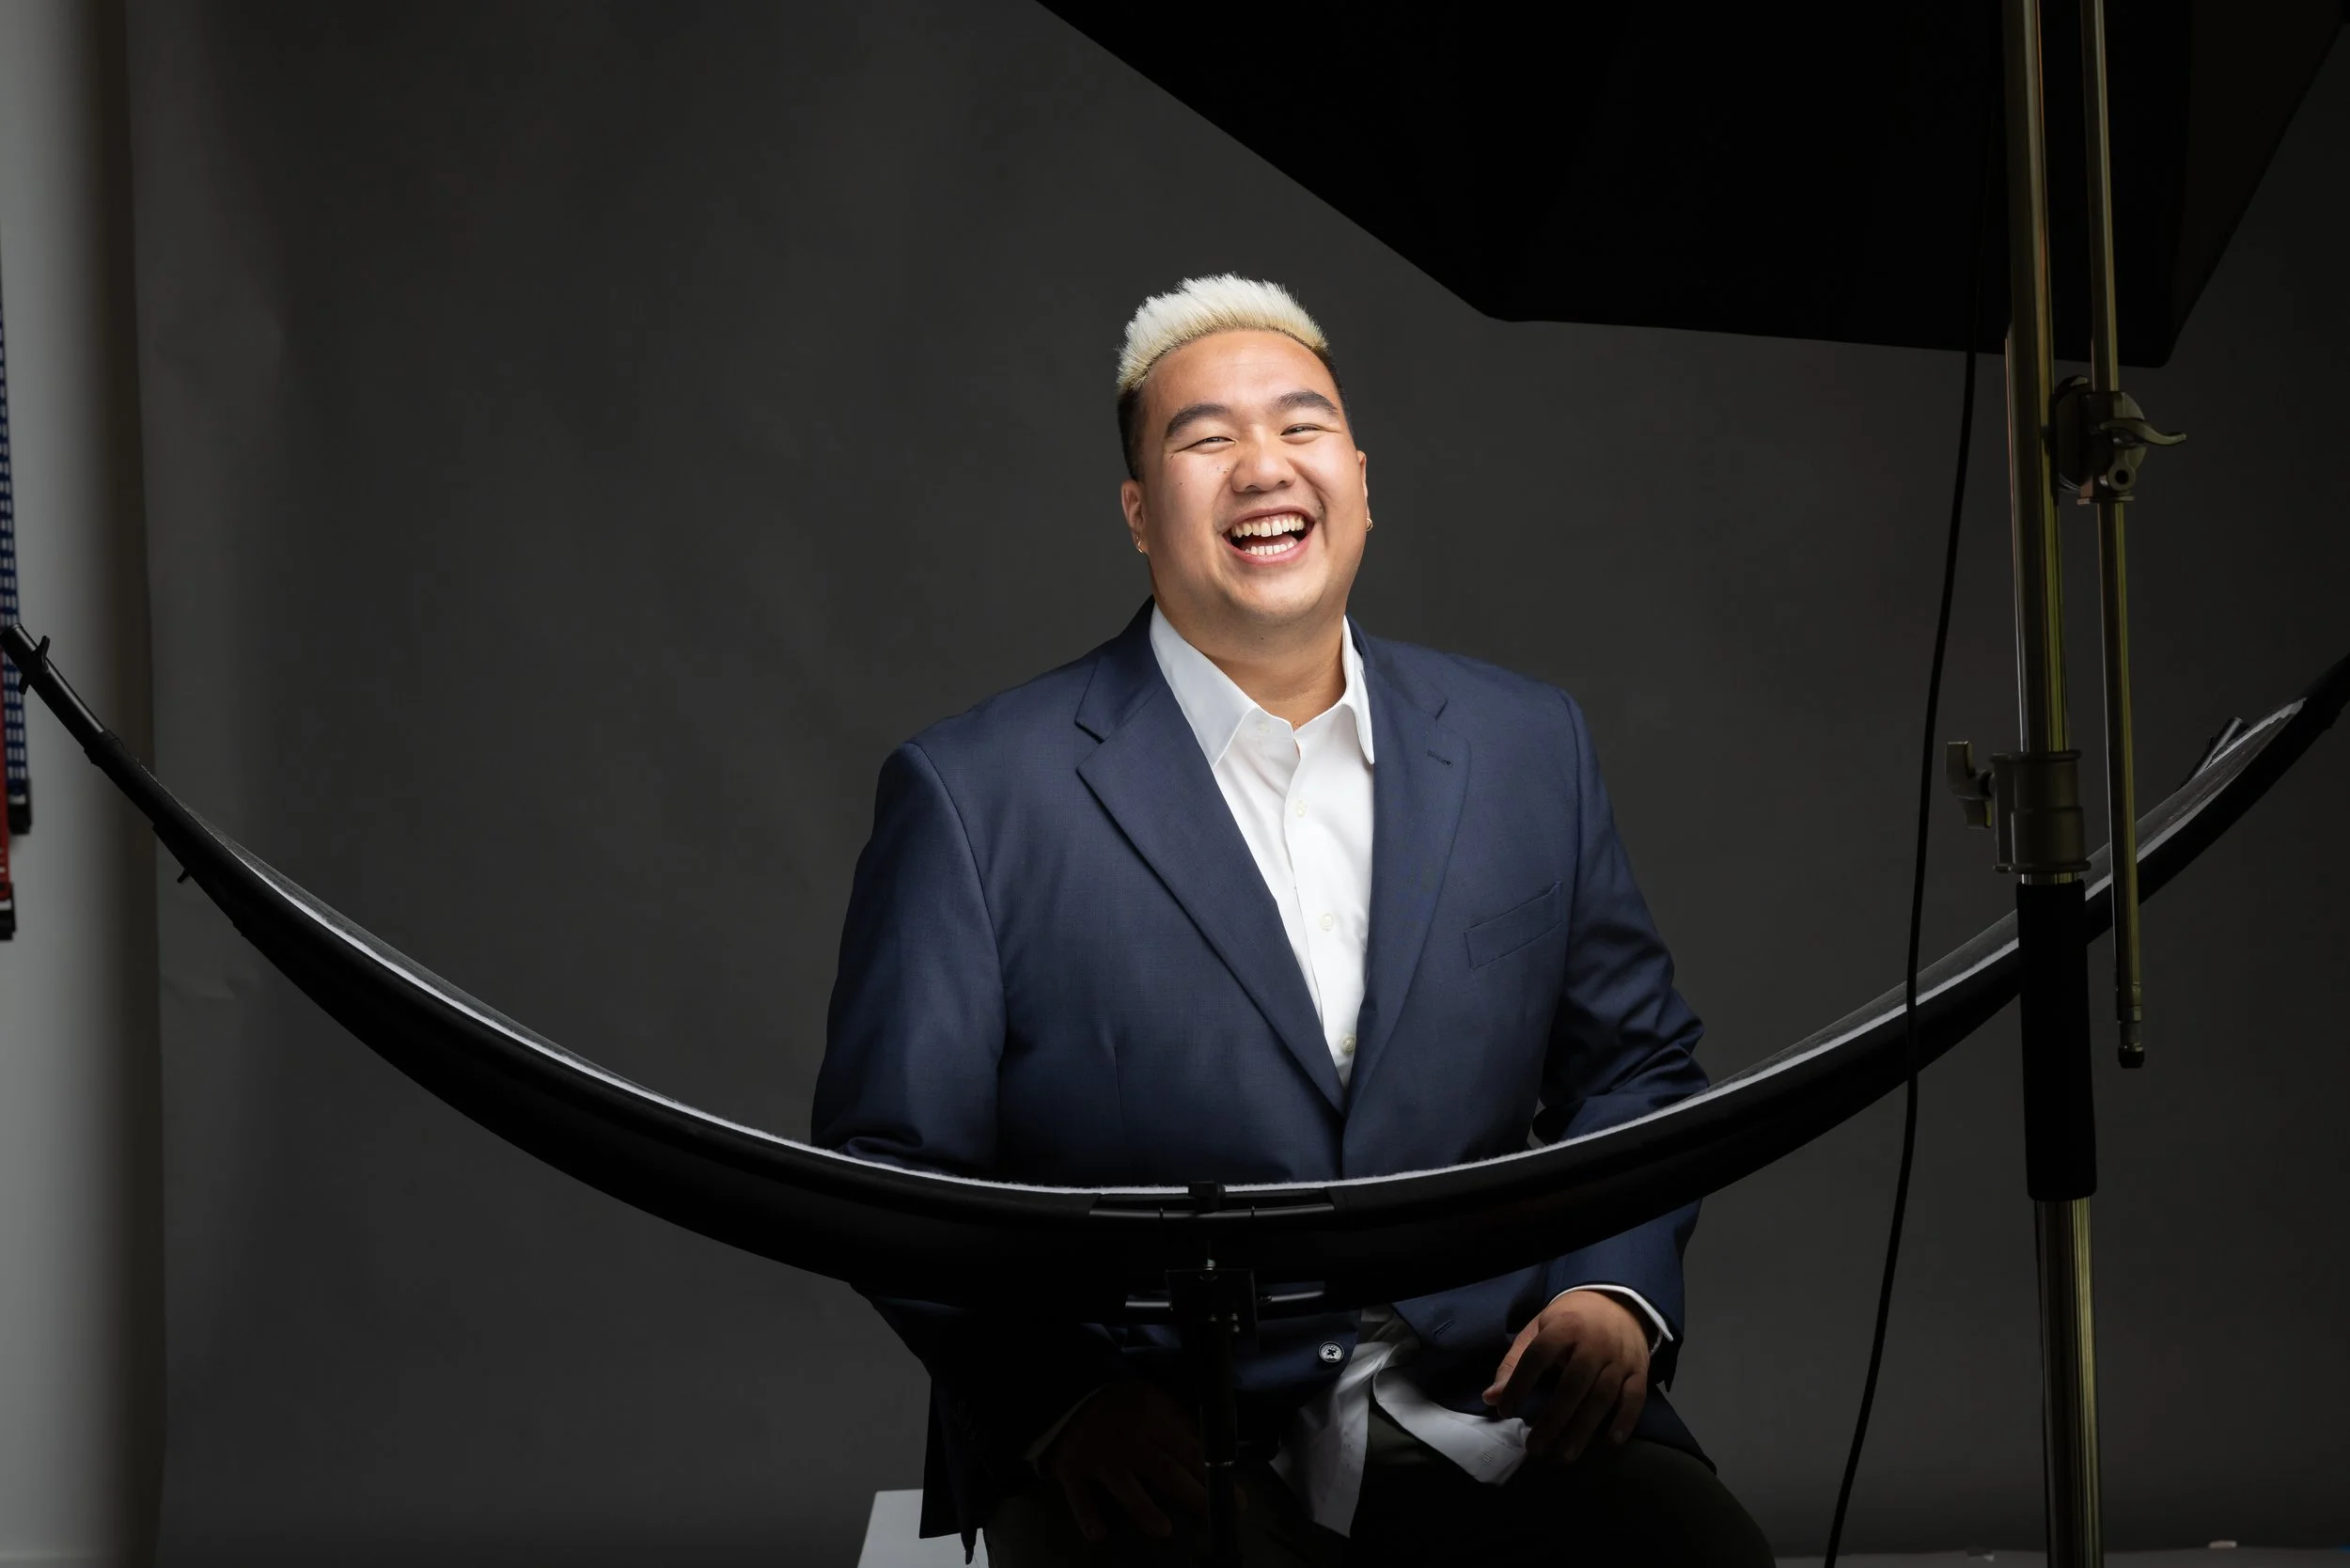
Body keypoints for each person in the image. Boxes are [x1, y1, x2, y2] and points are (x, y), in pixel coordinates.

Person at [811, 276, 1774, 1566]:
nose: (1264, 466)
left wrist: (1614, 1286)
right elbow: (892, 1161)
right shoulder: (974, 793)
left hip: (1490, 1390)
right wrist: (1064, 1407)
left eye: (1302, 426)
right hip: (1145, 1431)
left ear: (1362, 482)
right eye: (1205, 439)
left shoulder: (1526, 744)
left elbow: (1639, 1068)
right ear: (1141, 515)